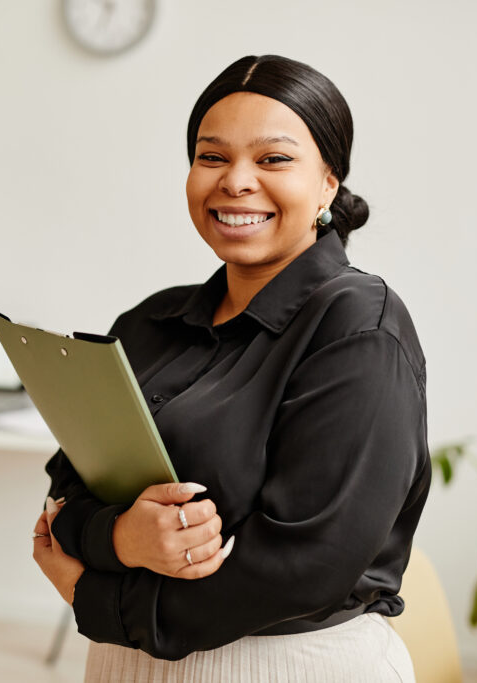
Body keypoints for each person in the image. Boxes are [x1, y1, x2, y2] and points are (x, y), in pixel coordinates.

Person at [31, 54, 429, 682]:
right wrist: (122, 538)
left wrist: (102, 600)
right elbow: (65, 493)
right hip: (122, 664)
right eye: (211, 157)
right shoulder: (149, 323)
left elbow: (306, 564)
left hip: (286, 665)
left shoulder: (358, 327)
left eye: (273, 159)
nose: (235, 181)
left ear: (329, 180)